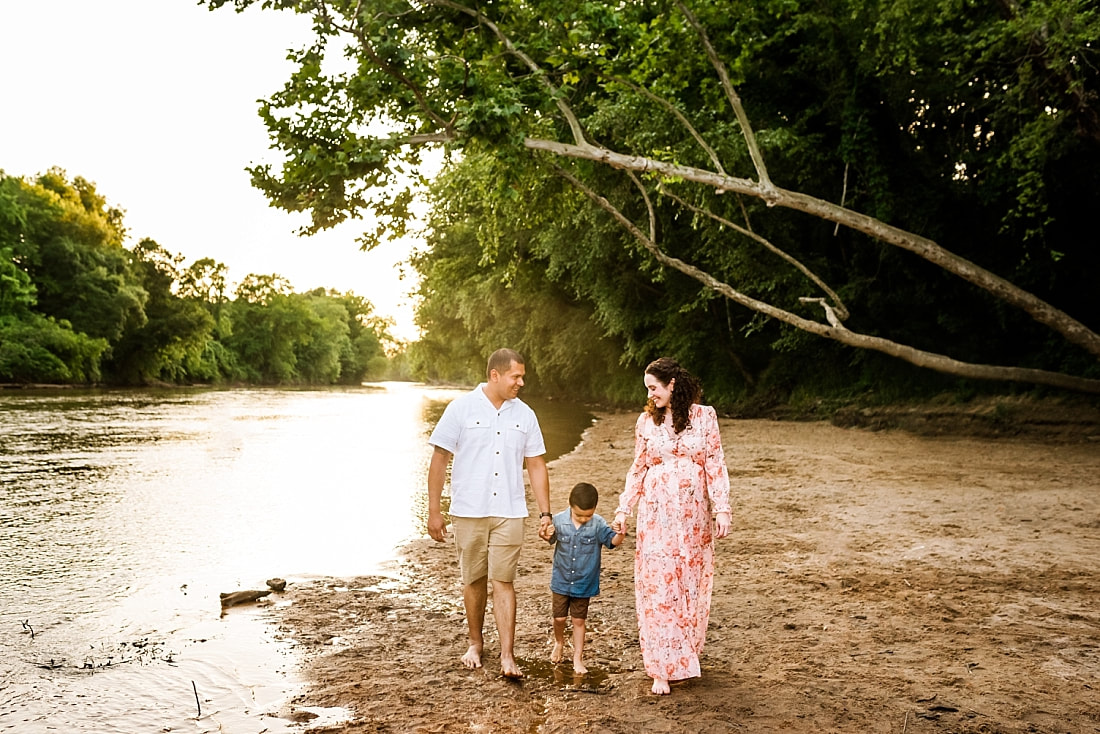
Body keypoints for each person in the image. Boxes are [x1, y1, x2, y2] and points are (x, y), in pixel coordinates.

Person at [427, 348, 552, 678]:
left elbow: (536, 464)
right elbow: (439, 459)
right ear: (495, 375)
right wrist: (434, 510)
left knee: (504, 581)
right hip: (468, 510)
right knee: (473, 579)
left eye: (522, 376)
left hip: (509, 510)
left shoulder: (525, 415)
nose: (521, 382)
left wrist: (545, 514)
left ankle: (508, 655)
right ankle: (476, 643)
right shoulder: (460, 409)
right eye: (516, 376)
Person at [612, 357, 731, 695]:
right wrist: (623, 510)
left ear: (672, 385)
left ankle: (685, 655)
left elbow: (715, 463)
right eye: (648, 389)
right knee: (659, 588)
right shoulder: (646, 422)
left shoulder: (704, 417)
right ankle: (660, 668)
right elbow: (638, 468)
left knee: (690, 585)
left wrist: (722, 509)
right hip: (656, 516)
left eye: (654, 387)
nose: (650, 394)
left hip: (693, 520)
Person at [541, 482, 625, 674]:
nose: (584, 518)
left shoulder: (598, 524)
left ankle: (577, 657)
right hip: (561, 579)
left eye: (588, 515)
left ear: (595, 509)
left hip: (584, 582)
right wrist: (545, 533)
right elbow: (549, 539)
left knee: (579, 620)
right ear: (570, 506)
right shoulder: (560, 521)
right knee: (559, 618)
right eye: (579, 515)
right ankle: (559, 642)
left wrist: (621, 533)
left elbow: (613, 542)